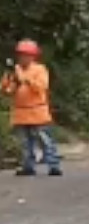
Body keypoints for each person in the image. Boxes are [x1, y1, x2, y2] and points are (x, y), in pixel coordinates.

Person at [2, 40, 62, 177]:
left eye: (26, 55)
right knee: (25, 142)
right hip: (21, 112)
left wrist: (25, 79)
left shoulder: (40, 69)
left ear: (33, 56)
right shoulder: (14, 70)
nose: (23, 58)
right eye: (21, 55)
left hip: (38, 111)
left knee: (45, 140)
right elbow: (6, 91)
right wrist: (10, 80)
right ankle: (28, 166)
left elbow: (41, 87)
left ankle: (53, 166)